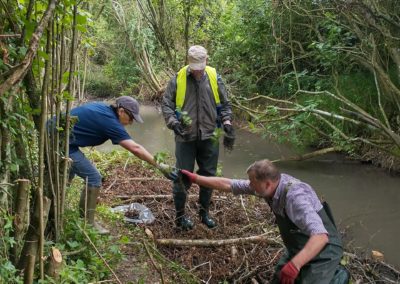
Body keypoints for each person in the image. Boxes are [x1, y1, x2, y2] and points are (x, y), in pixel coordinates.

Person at [180, 159, 346, 284]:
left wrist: (295, 265)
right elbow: (229, 184)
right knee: (280, 279)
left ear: (267, 183)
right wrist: (195, 179)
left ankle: (339, 276)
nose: (250, 186)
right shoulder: (268, 187)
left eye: (253, 182)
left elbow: (321, 236)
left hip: (325, 251)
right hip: (300, 245)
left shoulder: (295, 197)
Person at [66, 96, 177, 234]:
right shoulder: (110, 122)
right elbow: (135, 148)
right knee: (94, 178)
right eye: (131, 118)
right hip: (61, 143)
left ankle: (62, 212)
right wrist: (160, 166)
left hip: (64, 140)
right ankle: (88, 225)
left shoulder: (105, 110)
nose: (131, 123)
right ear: (121, 111)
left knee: (68, 172)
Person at [161, 45, 235, 230]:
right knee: (181, 177)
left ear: (206, 61)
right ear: (188, 62)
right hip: (184, 136)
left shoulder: (214, 78)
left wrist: (227, 123)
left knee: (208, 176)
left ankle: (204, 214)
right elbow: (166, 104)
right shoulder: (177, 79)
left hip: (210, 136)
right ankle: (180, 217)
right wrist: (173, 122)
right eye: (194, 67)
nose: (197, 71)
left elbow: (225, 105)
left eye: (200, 67)